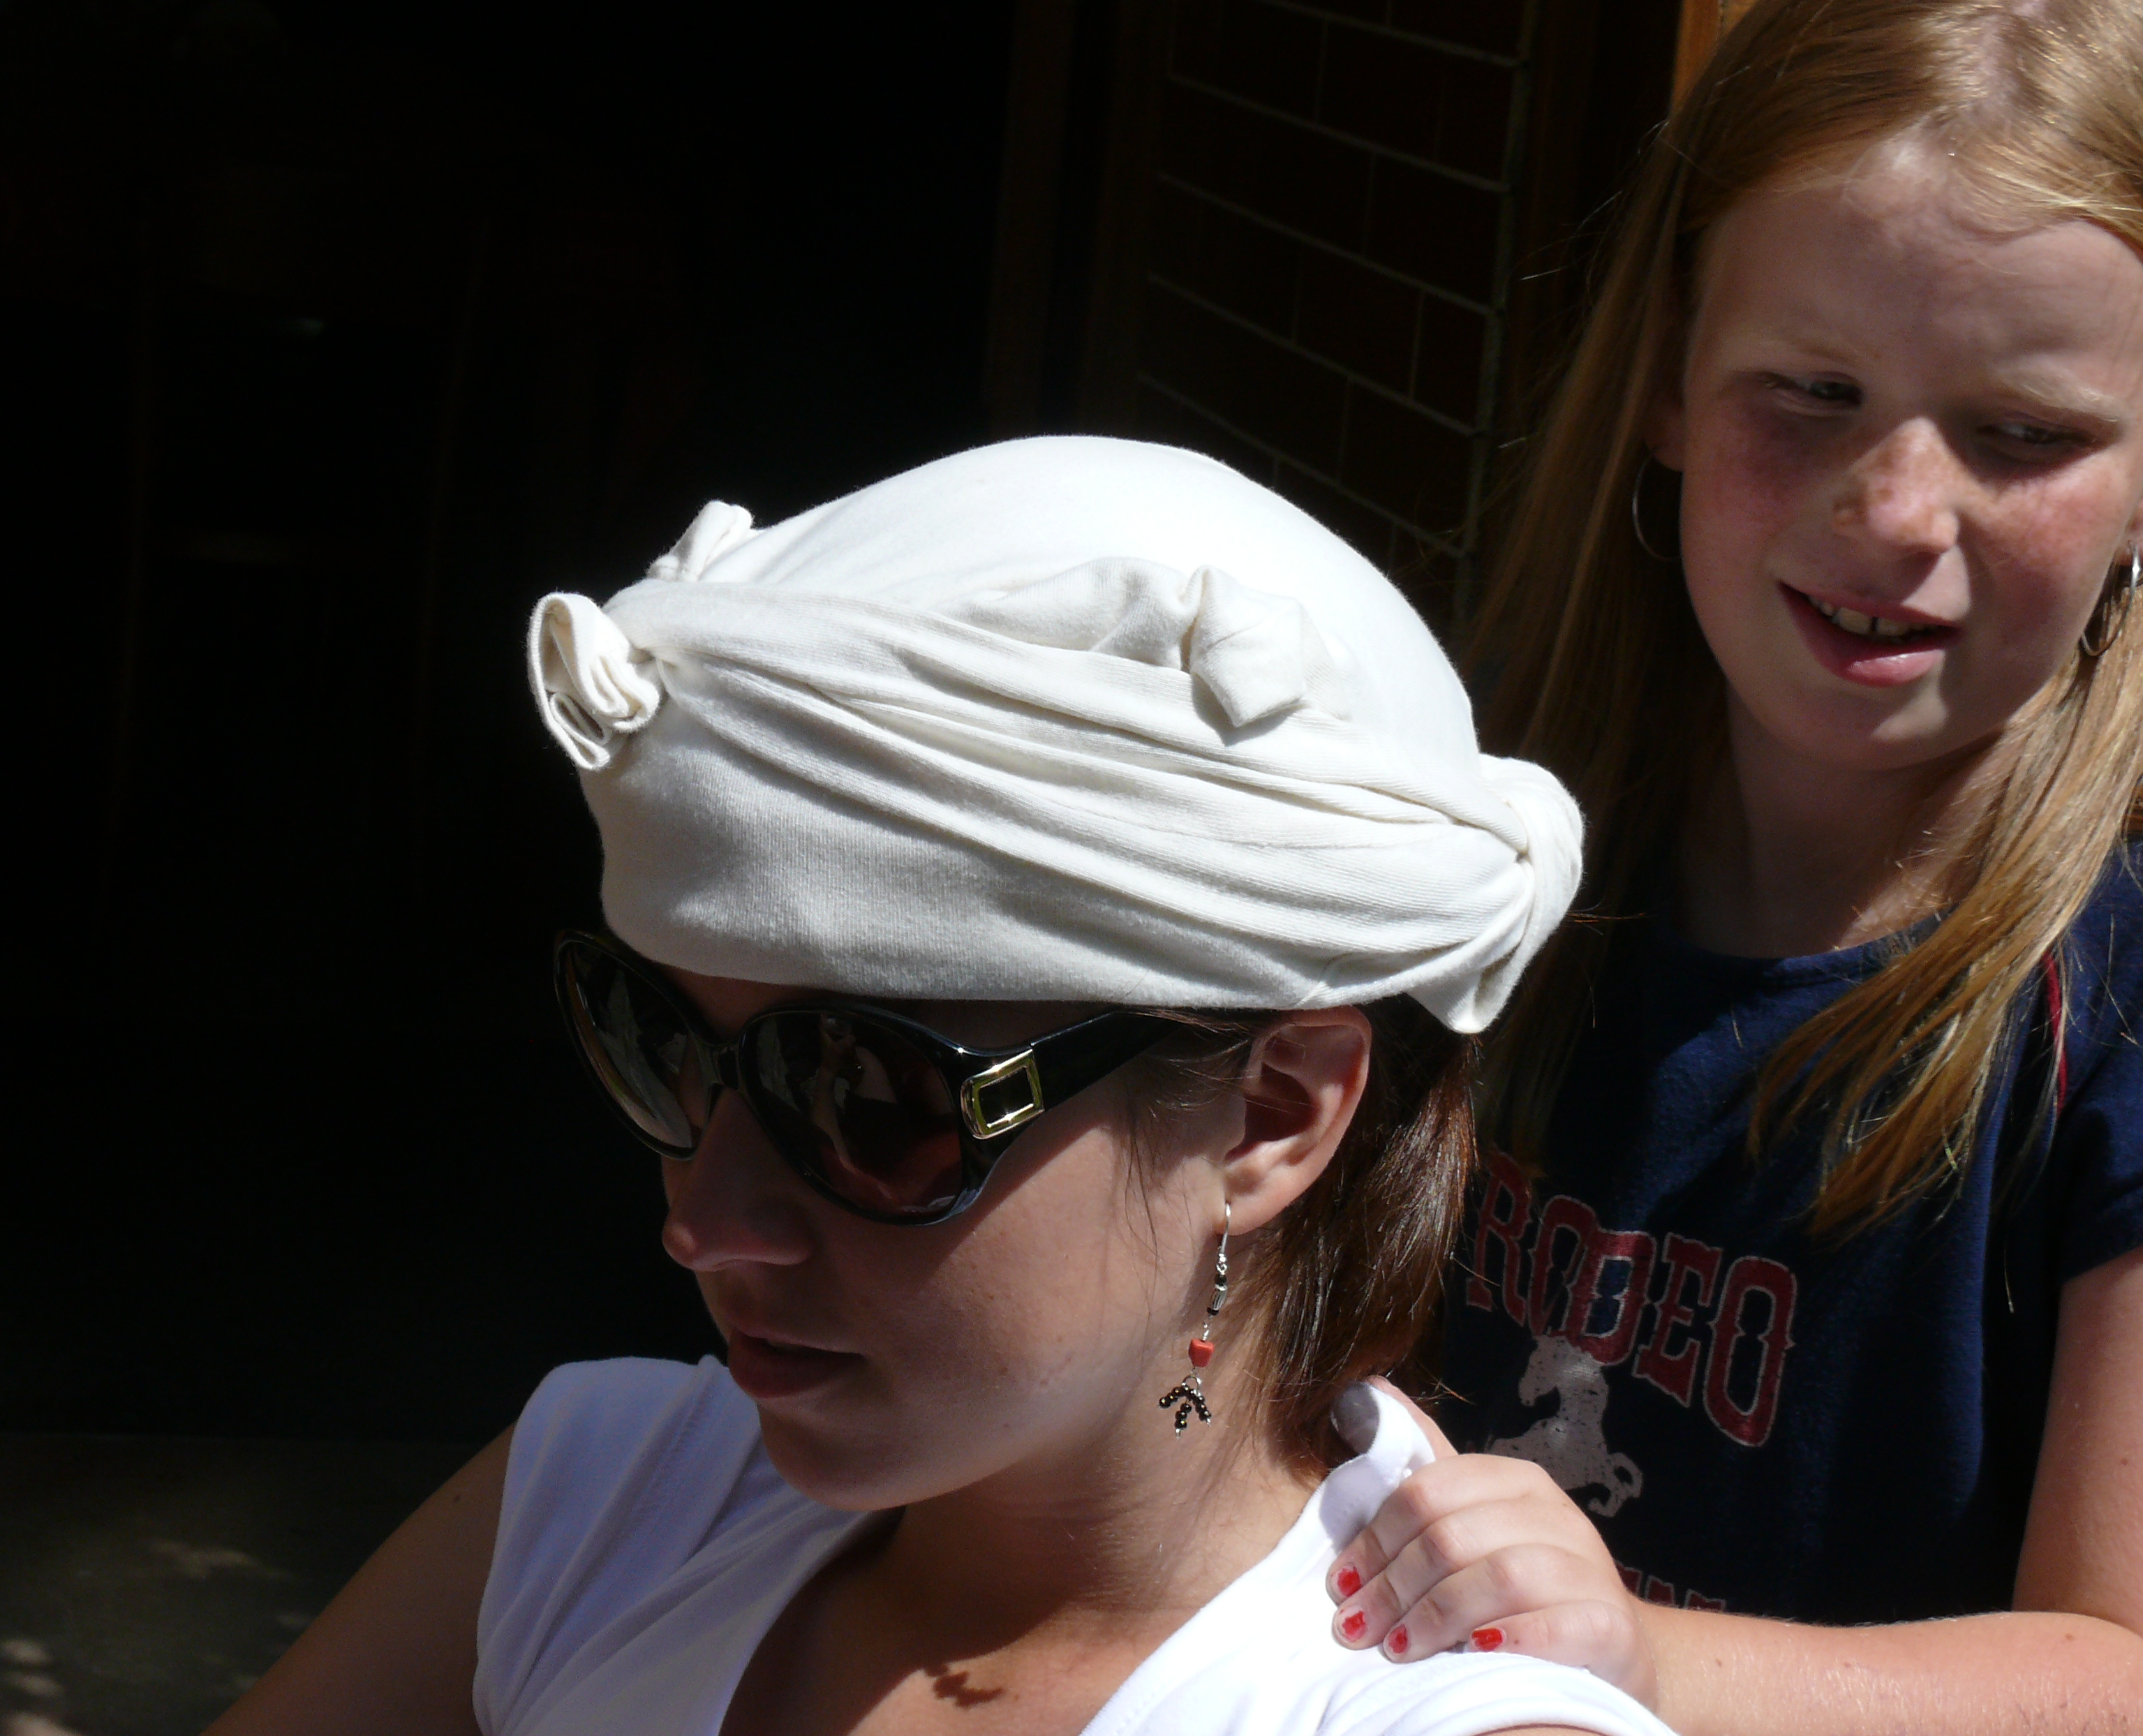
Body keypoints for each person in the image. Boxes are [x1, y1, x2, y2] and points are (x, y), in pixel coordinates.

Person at [1312, 0, 2143, 1736]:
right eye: (1811, 394)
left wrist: (1638, 1661)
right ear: (1666, 371)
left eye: (2021, 435)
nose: (1895, 512)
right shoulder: (1494, 835)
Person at [202, 436, 1679, 1736]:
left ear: (1271, 1115)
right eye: (663, 1046)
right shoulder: (605, 1502)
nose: (701, 1224)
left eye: (860, 1097)